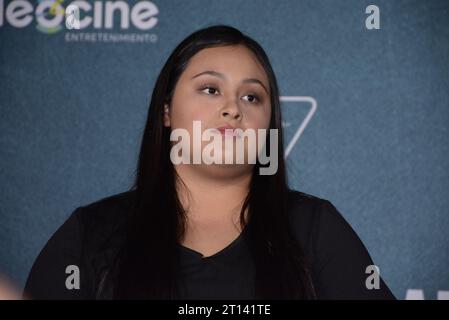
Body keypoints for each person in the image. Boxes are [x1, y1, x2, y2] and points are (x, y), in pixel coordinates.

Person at [24, 25, 396, 300]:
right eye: (210, 89)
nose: (232, 108)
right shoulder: (91, 233)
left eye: (252, 97)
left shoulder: (315, 228)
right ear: (167, 111)